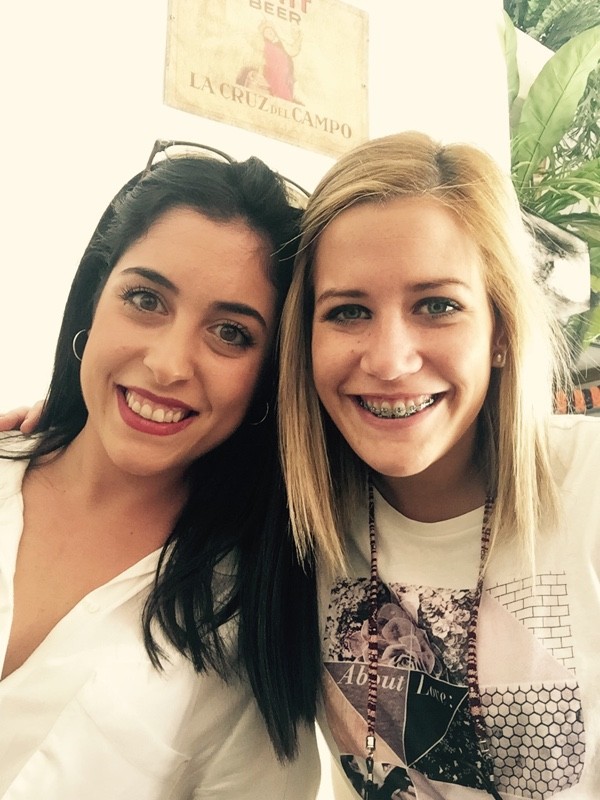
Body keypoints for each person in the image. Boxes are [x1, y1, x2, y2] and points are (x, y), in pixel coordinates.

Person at [278, 131, 600, 798]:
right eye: (348, 311)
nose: (389, 360)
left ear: (501, 329)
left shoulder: (589, 484)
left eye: (437, 306)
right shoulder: (285, 523)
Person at [0, 140, 320, 799]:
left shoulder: (252, 622)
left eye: (231, 333)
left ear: (268, 377)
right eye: (146, 299)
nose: (169, 364)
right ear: (94, 299)